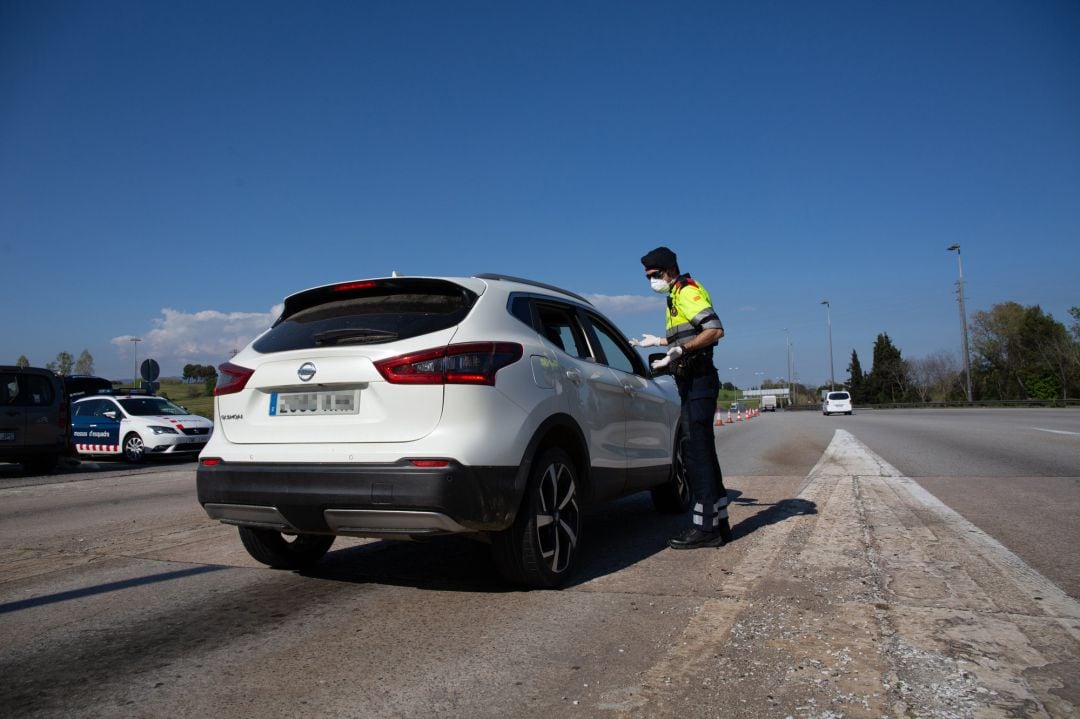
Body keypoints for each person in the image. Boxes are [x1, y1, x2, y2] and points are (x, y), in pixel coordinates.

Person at [632, 246, 733, 549]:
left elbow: (714, 330)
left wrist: (681, 351)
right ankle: (720, 522)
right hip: (690, 381)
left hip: (699, 378)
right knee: (702, 450)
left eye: (655, 275)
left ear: (669, 270)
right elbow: (688, 333)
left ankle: (705, 528)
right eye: (648, 277)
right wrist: (662, 342)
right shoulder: (674, 296)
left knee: (694, 452)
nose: (652, 281)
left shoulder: (687, 291)